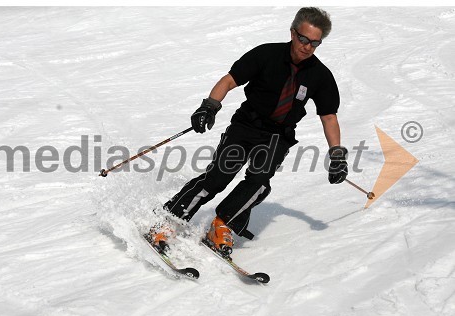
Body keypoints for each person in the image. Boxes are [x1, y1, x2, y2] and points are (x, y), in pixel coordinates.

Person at [148, 7, 348, 256]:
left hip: (278, 136)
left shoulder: (320, 75)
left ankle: (222, 226)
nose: (307, 46)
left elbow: (329, 116)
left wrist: (337, 155)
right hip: (246, 125)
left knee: (259, 184)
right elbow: (230, 80)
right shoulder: (266, 55)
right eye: (303, 39)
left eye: (315, 43)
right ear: (293, 32)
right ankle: (168, 219)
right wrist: (208, 107)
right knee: (218, 177)